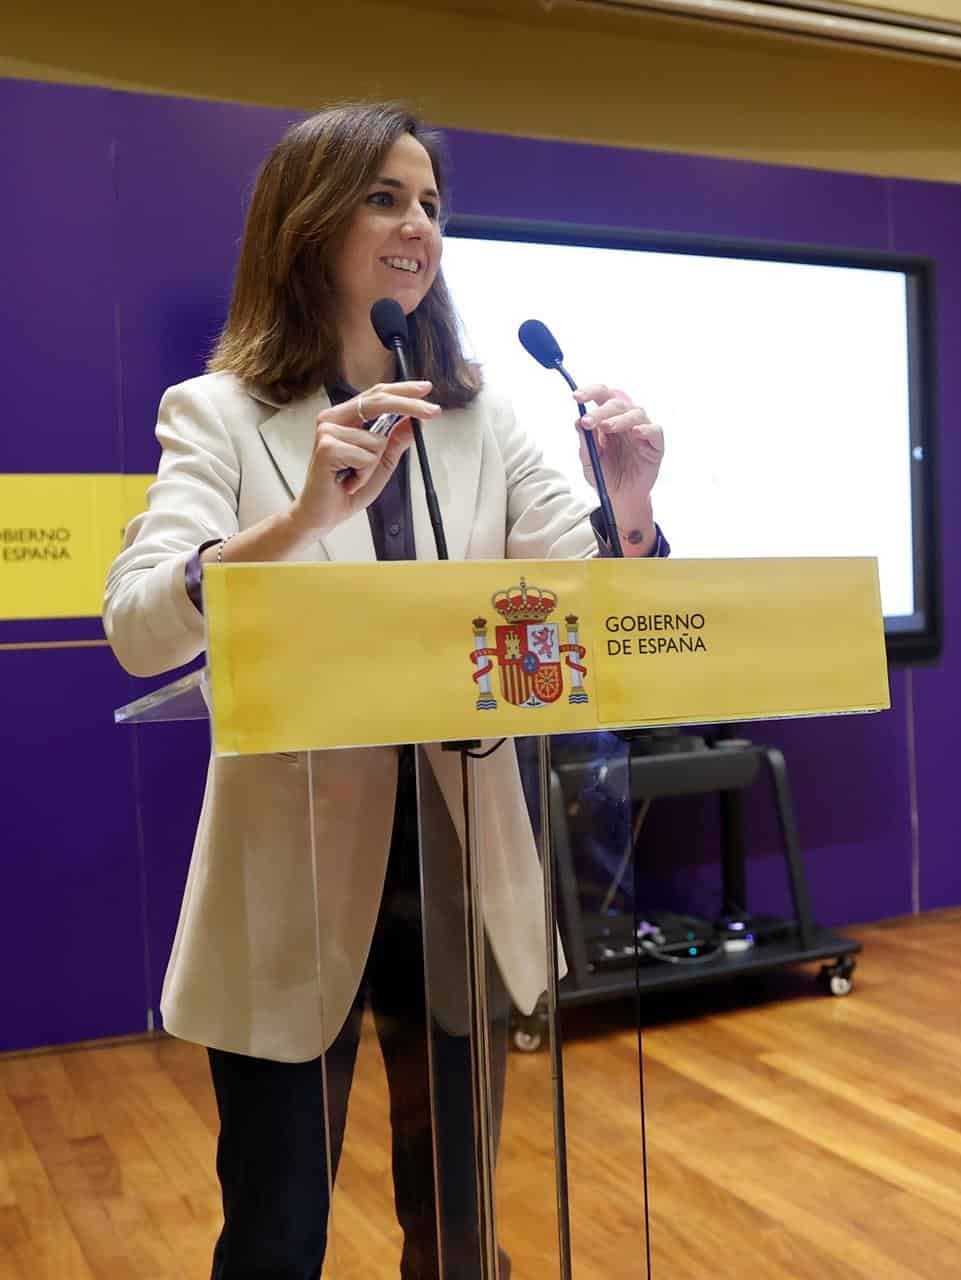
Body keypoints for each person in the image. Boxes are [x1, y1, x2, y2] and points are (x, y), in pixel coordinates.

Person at [102, 102, 667, 1277]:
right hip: (291, 879)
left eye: (430, 203)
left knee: (459, 1231)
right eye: (384, 197)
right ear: (307, 223)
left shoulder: (487, 420)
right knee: (276, 1230)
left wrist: (632, 509)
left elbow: (587, 605)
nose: (419, 224)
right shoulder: (221, 415)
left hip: (462, 871)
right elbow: (138, 626)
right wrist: (301, 514)